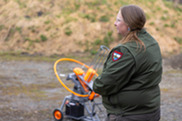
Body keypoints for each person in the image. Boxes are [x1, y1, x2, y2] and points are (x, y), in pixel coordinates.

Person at [93, 5, 162, 121]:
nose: (115, 23)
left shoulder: (125, 51)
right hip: (150, 110)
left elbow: (106, 83)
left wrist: (95, 86)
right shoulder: (151, 42)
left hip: (129, 114)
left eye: (118, 20)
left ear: (129, 24)